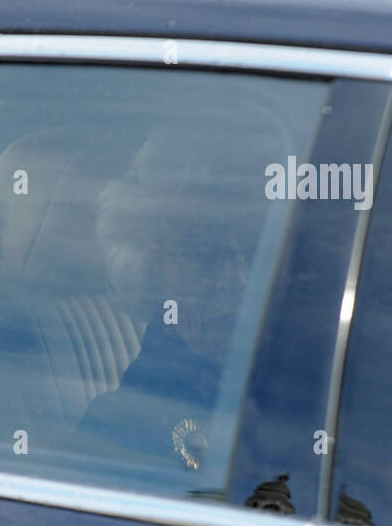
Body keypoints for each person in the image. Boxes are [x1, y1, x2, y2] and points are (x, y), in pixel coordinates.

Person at [74, 125, 266, 474]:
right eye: (201, 253)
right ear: (149, 269)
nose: (237, 279)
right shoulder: (122, 427)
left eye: (257, 246)